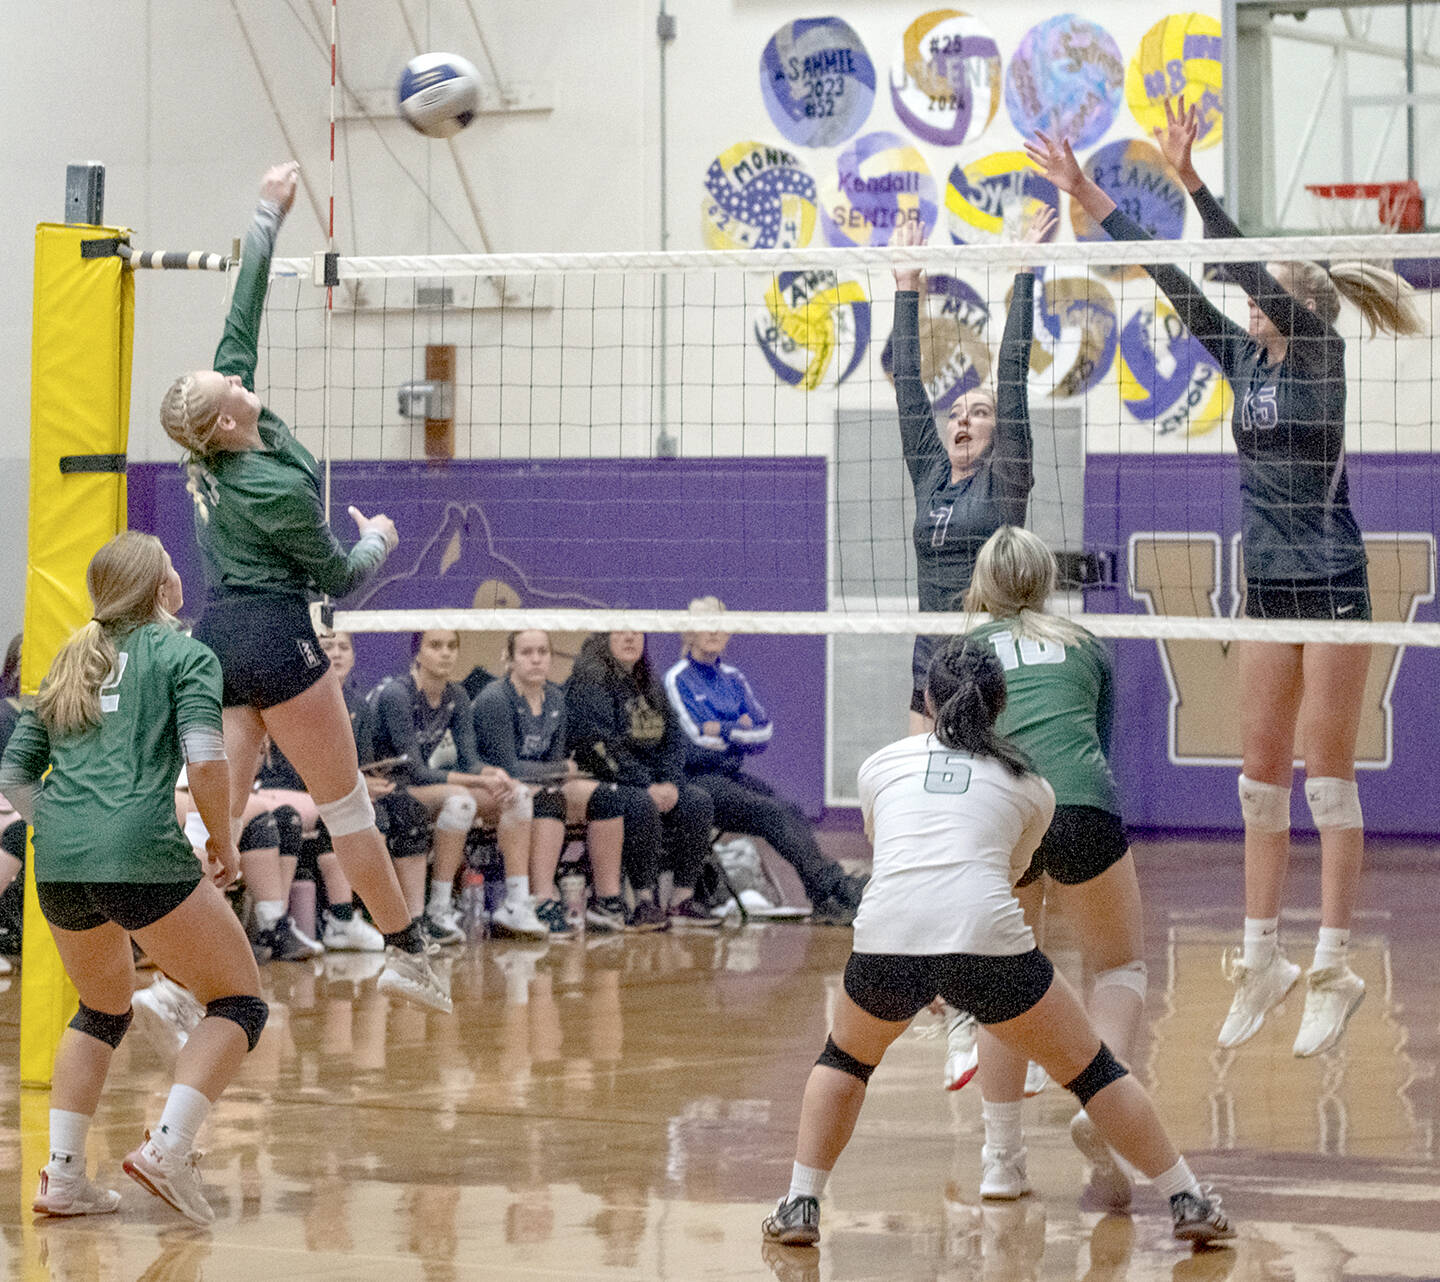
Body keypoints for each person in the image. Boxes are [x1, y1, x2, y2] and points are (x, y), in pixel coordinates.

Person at [1027, 103, 1424, 1057]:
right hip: (1266, 587)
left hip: (1331, 582)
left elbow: (1241, 266)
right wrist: (1091, 196)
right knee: (1258, 786)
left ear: (1296, 306)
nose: (1250, 306)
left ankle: (1333, 963)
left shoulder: (1320, 357)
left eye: (1267, 296)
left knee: (1327, 783)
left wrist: (1195, 181)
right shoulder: (1243, 356)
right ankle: (1263, 957)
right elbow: (1173, 279)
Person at [760, 638, 1233, 1249]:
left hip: (889, 935)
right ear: (1000, 706)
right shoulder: (1031, 785)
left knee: (846, 1060)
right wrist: (953, 963)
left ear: (928, 698)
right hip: (985, 936)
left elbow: (901, 855)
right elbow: (1008, 875)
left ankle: (801, 1204)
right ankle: (1187, 1197)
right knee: (1093, 1071)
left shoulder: (879, 766)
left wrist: (926, 963)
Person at [158, 161, 448, 1013]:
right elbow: (339, 578)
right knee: (347, 805)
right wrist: (380, 538)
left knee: (221, 820)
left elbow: (239, 313)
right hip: (276, 642)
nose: (241, 380)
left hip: (220, 643)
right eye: (232, 386)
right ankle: (405, 951)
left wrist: (266, 212)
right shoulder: (274, 492)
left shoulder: (213, 437)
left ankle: (177, 984)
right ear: (222, 421)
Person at [0, 532, 268, 1225]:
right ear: (160, 590)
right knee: (239, 1003)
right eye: (173, 568)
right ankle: (168, 1149)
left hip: (57, 857)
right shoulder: (184, 653)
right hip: (139, 848)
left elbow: (12, 776)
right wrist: (223, 842)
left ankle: (63, 1178)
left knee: (101, 1008)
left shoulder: (66, 659)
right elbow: (207, 762)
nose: (180, 575)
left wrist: (61, 825)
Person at [962, 526, 1149, 1206]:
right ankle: (1102, 1104)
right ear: (1046, 582)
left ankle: (1001, 1163)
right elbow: (1093, 743)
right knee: (1119, 967)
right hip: (1077, 802)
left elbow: (957, 754)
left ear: (983, 583)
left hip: (1000, 810)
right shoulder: (1084, 645)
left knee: (1004, 984)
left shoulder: (964, 650)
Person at [891, 209, 1053, 734]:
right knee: (916, 785)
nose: (963, 417)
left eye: (979, 411)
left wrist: (1025, 273)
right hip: (929, 652)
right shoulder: (931, 475)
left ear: (997, 429)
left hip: (988, 655)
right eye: (957, 410)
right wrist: (906, 284)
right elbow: (910, 384)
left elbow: (1012, 372)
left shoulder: (1006, 478)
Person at [663, 598, 866, 924]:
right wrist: (737, 728)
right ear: (688, 632)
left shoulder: (733, 678)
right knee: (770, 813)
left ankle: (823, 896)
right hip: (696, 782)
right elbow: (695, 741)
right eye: (706, 623)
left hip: (729, 777)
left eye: (721, 624)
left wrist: (721, 730)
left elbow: (764, 732)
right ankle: (835, 885)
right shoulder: (677, 679)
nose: (715, 630)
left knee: (791, 809)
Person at [369, 629, 542, 941]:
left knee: (518, 794)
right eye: (435, 646)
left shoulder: (457, 695)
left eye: (452, 646)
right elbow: (416, 770)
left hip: (427, 785)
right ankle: (438, 908)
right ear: (417, 653)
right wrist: (479, 779)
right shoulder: (398, 693)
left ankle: (516, 903)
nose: (446, 653)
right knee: (461, 801)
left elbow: (470, 760)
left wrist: (494, 773)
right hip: (391, 787)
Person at [471, 630, 627, 936]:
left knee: (607, 795)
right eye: (527, 653)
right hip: (494, 785)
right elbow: (509, 766)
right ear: (510, 659)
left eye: (543, 652)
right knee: (549, 797)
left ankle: (606, 901)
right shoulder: (495, 698)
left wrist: (557, 769)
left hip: (540, 781)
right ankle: (542, 897)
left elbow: (556, 764)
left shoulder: (555, 697)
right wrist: (558, 768)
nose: (536, 659)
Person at [566, 632, 718, 929]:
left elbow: (674, 740)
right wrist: (646, 784)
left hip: (655, 779)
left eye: (637, 631)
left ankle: (680, 899)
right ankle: (644, 900)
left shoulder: (650, 682)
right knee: (640, 803)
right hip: (607, 776)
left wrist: (671, 783)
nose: (631, 637)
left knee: (698, 801)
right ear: (604, 638)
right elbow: (600, 747)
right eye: (622, 631)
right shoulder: (590, 683)